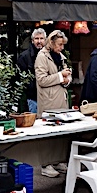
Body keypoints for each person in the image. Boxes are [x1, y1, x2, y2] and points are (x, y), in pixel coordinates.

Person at [34, 29, 72, 177]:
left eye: (62, 45)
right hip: (49, 101)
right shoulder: (42, 57)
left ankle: (58, 161)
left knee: (60, 133)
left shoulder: (60, 56)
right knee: (48, 134)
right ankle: (46, 164)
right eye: (59, 44)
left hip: (60, 99)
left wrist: (67, 79)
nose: (61, 48)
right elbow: (41, 80)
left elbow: (64, 76)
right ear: (51, 43)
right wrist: (60, 76)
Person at [16, 28, 46, 114]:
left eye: (41, 38)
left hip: (47, 98)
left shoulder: (50, 55)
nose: (39, 41)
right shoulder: (24, 56)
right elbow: (20, 79)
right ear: (32, 41)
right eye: (36, 38)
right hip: (32, 99)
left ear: (45, 40)